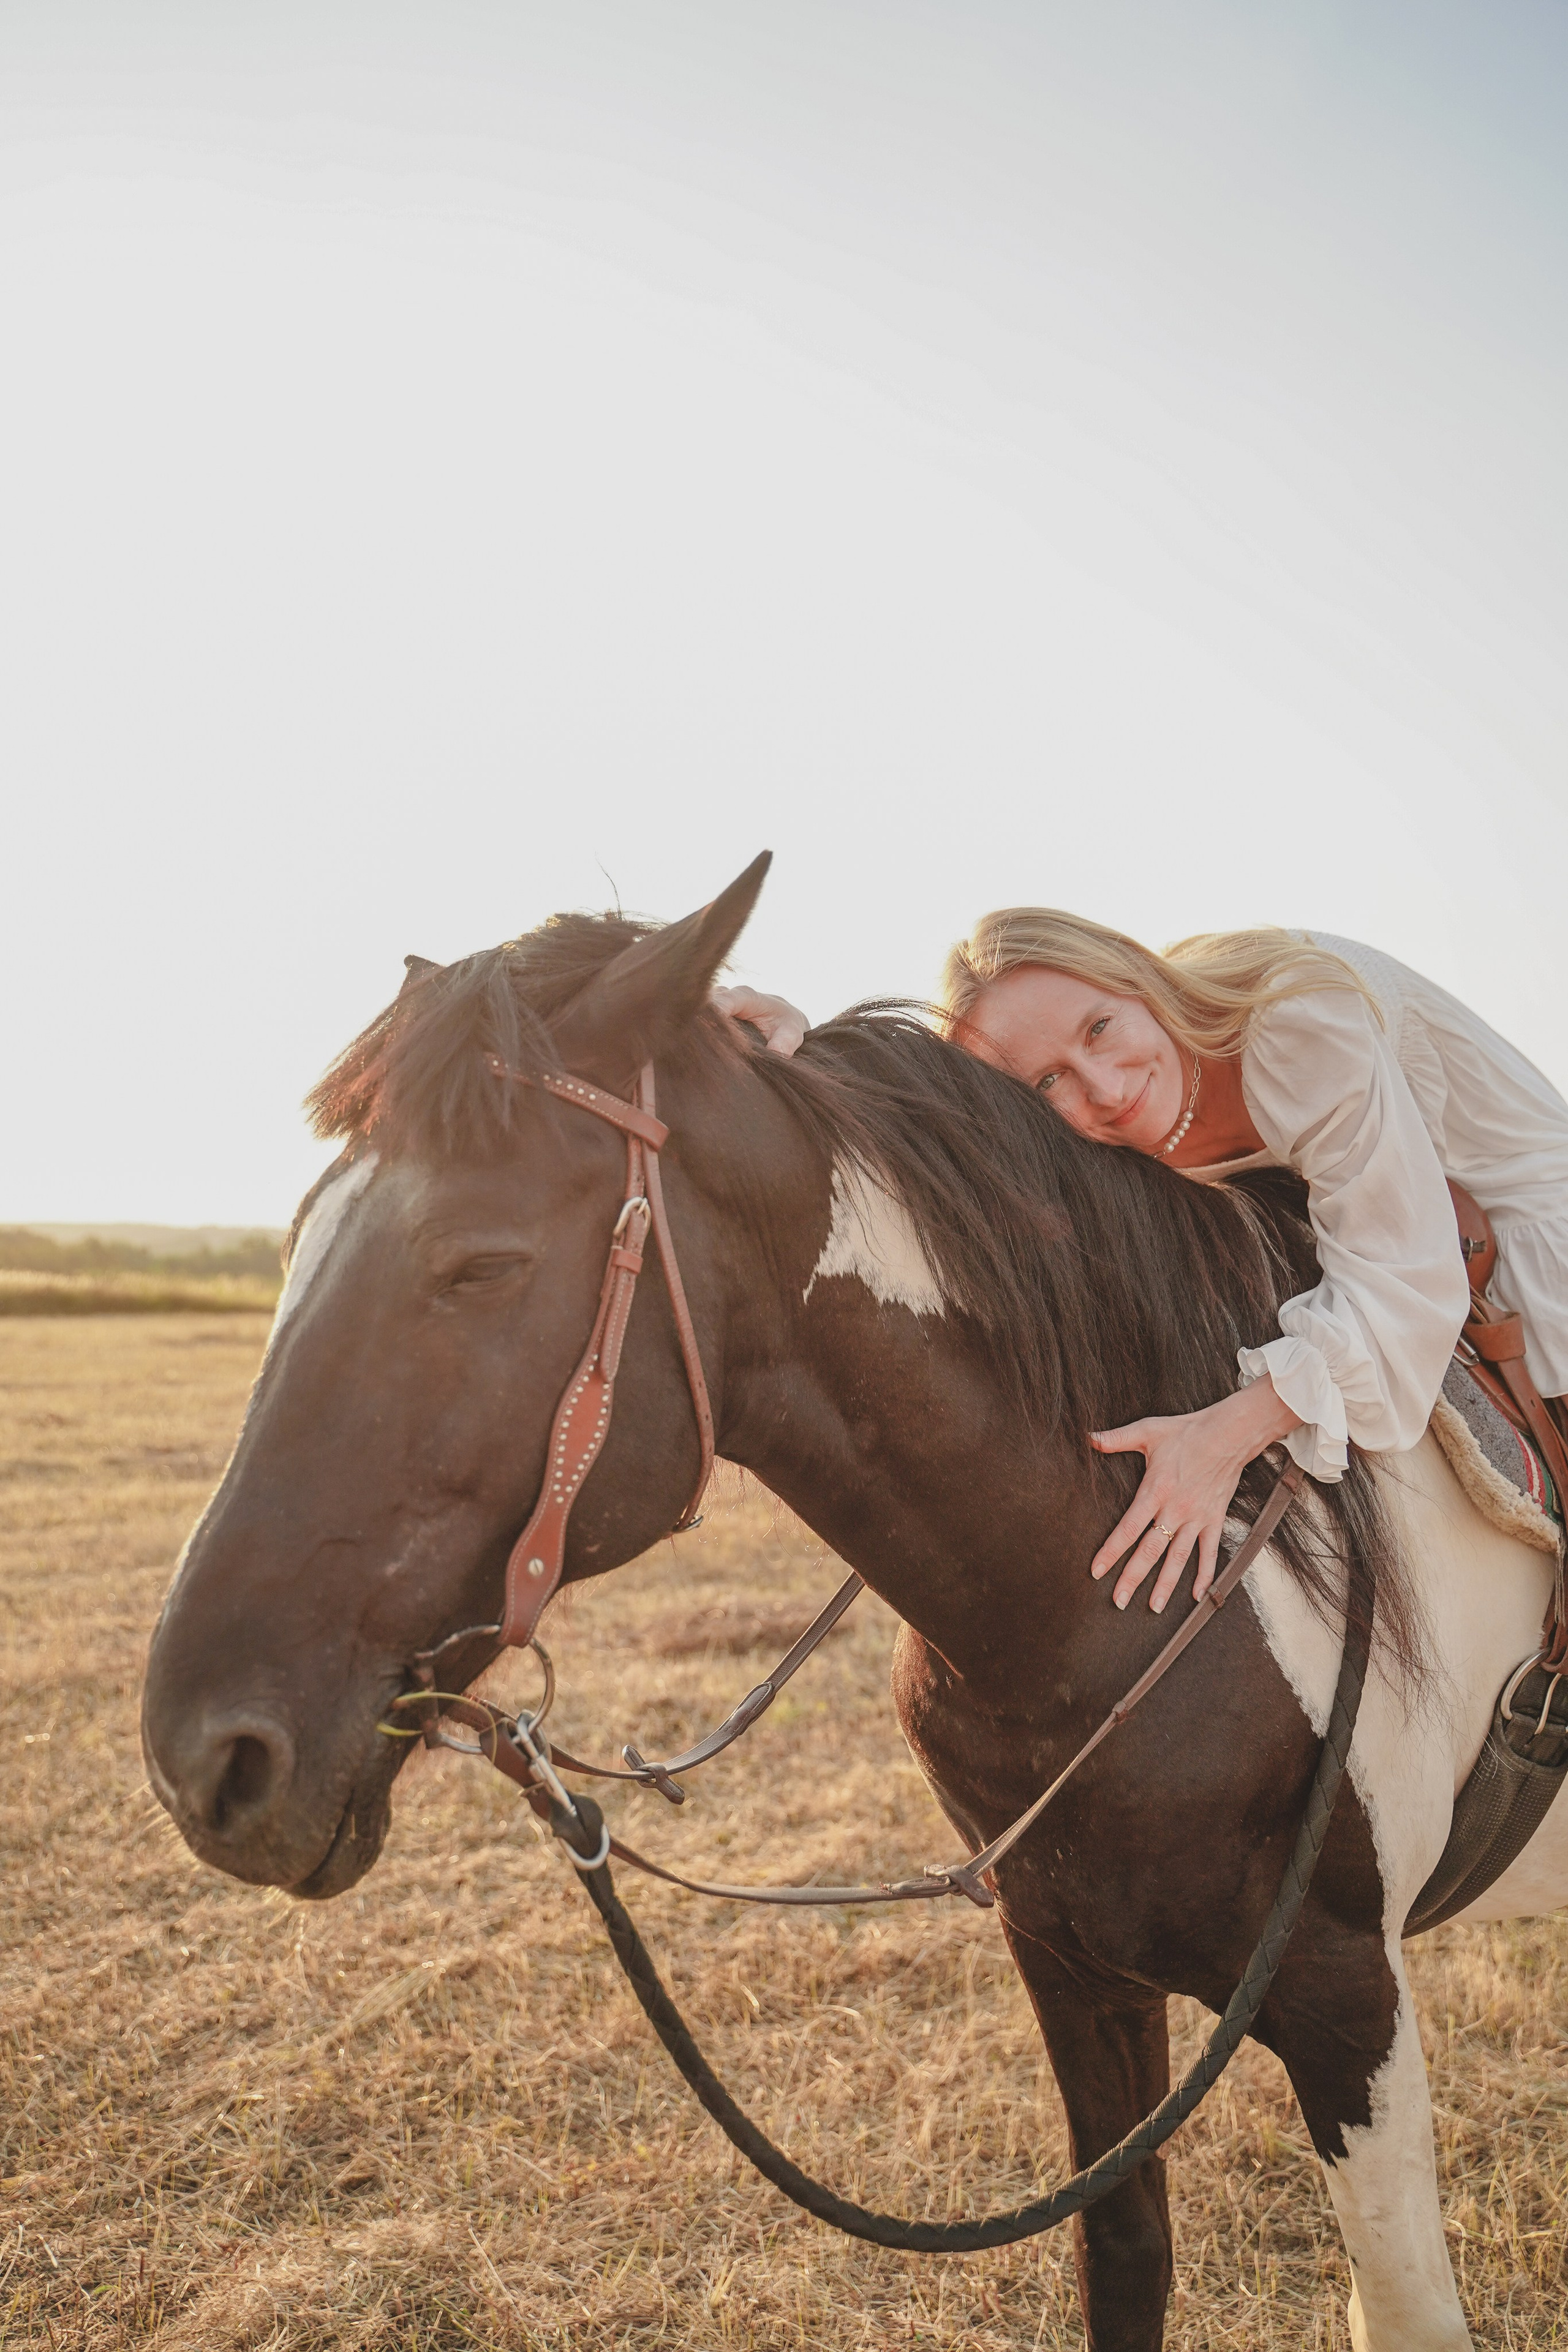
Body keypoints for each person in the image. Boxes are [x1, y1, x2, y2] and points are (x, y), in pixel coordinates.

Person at [713, 916, 1568, 1616]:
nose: (1104, 1086)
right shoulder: (1115, 1097)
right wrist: (803, 1046)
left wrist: (1219, 1437)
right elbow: (943, 1128)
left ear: (1134, 976)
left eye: (1099, 1030)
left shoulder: (1293, 1020)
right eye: (1049, 1082)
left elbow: (1403, 1280)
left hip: (1528, 1240)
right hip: (1400, 1231)